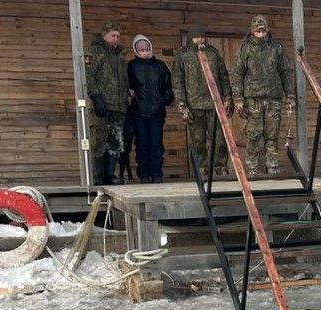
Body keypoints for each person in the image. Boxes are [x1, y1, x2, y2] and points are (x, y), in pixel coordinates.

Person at [232, 15, 295, 177]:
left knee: (272, 134)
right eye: (257, 31)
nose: (260, 34)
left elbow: (286, 72)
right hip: (253, 99)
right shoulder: (245, 49)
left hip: (273, 98)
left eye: (263, 31)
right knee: (253, 135)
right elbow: (237, 74)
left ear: (267, 31)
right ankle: (252, 168)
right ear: (252, 32)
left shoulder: (276, 48)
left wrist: (290, 96)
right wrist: (238, 99)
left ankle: (272, 166)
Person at [172, 23, 232, 178]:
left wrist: (227, 98)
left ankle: (221, 167)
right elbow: (177, 82)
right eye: (196, 37)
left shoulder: (213, 53)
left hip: (215, 105)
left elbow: (224, 77)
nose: (200, 40)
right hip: (194, 105)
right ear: (191, 38)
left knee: (220, 140)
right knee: (198, 142)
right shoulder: (182, 56)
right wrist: (182, 106)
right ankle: (202, 170)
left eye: (202, 37)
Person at [85, 21, 129, 186]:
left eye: (118, 36)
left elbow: (124, 79)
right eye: (112, 35)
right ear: (104, 36)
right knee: (99, 139)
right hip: (102, 104)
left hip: (119, 105)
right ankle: (98, 176)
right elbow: (88, 75)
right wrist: (96, 97)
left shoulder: (120, 55)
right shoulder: (95, 52)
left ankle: (110, 175)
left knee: (116, 141)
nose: (116, 39)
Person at [126, 34, 173, 183]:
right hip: (138, 111)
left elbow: (168, 87)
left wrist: (163, 101)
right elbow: (126, 84)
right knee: (141, 144)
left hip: (157, 112)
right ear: (136, 51)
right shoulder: (131, 66)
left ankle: (157, 173)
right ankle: (144, 175)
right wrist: (129, 92)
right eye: (141, 50)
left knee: (156, 144)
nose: (145, 52)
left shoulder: (160, 66)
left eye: (147, 49)